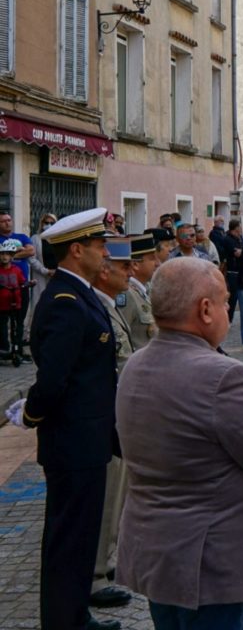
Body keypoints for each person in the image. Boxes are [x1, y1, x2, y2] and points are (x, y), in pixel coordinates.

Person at [114, 257, 243, 629]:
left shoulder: (136, 366)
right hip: (218, 566)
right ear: (205, 310)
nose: (227, 310)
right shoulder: (224, 376)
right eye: (223, 302)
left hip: (158, 555)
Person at [6, 208, 124, 630]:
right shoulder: (64, 302)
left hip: (88, 438)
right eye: (99, 246)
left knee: (79, 536)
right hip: (73, 442)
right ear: (77, 251)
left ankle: (75, 615)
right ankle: (64, 621)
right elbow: (53, 379)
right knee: (68, 538)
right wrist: (31, 413)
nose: (106, 253)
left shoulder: (79, 293)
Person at [91, 238, 147, 608]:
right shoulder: (98, 306)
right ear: (103, 270)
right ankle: (95, 574)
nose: (131, 272)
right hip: (106, 415)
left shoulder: (108, 303)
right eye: (124, 266)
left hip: (120, 414)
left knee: (119, 492)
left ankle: (105, 562)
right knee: (109, 493)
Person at [0, 211, 35, 357]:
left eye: (9, 220)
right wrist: (20, 251)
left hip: (21, 285)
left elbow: (31, 251)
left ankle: (18, 349)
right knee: (2, 321)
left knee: (19, 320)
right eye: (3, 221)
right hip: (3, 287)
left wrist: (8, 255)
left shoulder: (21, 237)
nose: (7, 223)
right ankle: (4, 349)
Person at [25, 212, 57, 344]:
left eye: (51, 223)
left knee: (55, 304)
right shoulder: (35, 238)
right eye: (46, 222)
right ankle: (31, 334)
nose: (48, 225)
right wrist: (45, 271)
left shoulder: (58, 239)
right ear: (41, 223)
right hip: (41, 276)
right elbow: (32, 259)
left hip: (56, 276)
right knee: (38, 304)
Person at [0, 239, 27, 366]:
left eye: (7, 254)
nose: (4, 257)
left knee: (15, 328)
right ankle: (4, 348)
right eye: (2, 254)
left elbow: (22, 282)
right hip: (1, 304)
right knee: (2, 327)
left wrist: (28, 284)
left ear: (11, 256)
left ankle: (17, 350)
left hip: (15, 303)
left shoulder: (16, 270)